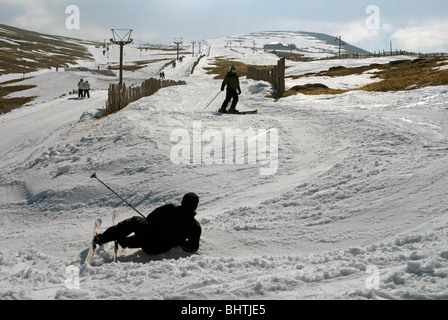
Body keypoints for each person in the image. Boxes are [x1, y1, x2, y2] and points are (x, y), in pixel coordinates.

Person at [93, 193, 202, 255]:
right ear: (195, 207)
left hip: (147, 238)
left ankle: (103, 238)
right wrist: (177, 240)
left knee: (136, 221)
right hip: (155, 249)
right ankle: (126, 242)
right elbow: (192, 248)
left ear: (182, 201)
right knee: (155, 237)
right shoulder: (195, 227)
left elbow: (150, 218)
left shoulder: (170, 208)